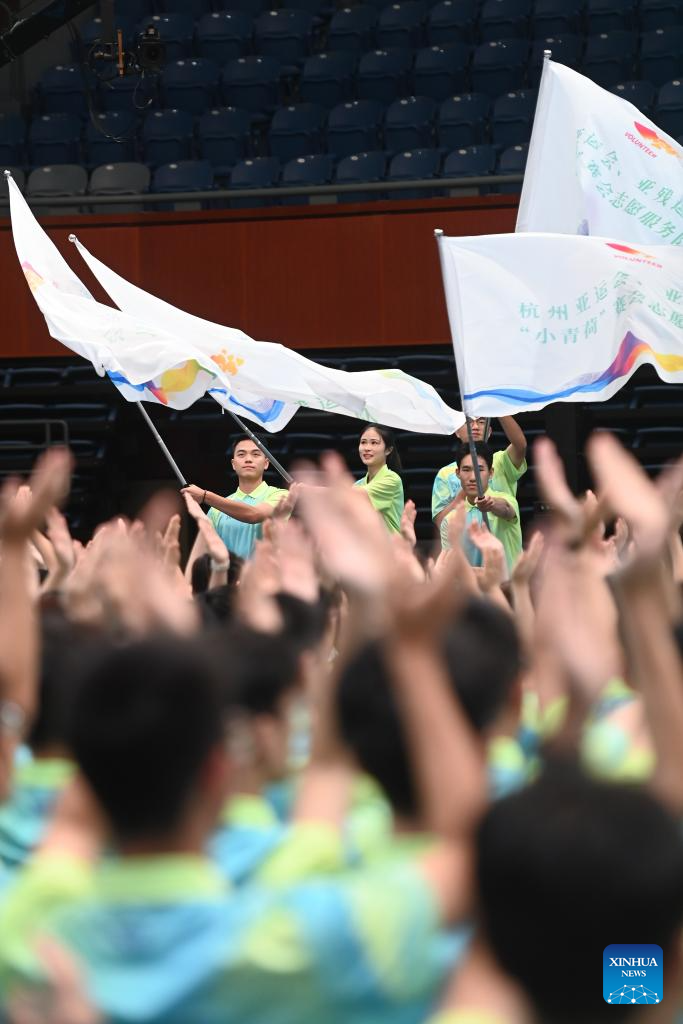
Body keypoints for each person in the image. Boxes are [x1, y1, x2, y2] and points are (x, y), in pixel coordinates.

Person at [182, 436, 291, 560]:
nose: (248, 459)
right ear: (233, 464)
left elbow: (254, 514)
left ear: (266, 463)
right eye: (241, 454)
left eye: (255, 454)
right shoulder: (216, 510)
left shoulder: (282, 496)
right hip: (228, 573)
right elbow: (199, 557)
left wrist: (205, 496)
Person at [432, 416, 527, 531]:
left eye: (481, 422)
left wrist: (499, 411)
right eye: (468, 422)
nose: (475, 427)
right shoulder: (444, 474)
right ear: (457, 431)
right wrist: (465, 493)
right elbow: (441, 524)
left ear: (489, 431)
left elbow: (520, 446)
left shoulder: (501, 461)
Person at [440, 445, 521, 572]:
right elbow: (448, 568)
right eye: (466, 470)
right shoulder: (450, 520)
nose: (473, 477)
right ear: (457, 473)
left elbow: (506, 509)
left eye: (479, 470)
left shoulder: (508, 500)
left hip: (508, 584)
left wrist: (491, 504)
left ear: (491, 473)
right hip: (469, 585)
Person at [354, 424, 404, 533]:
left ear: (388, 450)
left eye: (374, 443)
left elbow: (353, 495)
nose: (367, 448)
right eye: (363, 442)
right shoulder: (357, 485)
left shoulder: (392, 480)